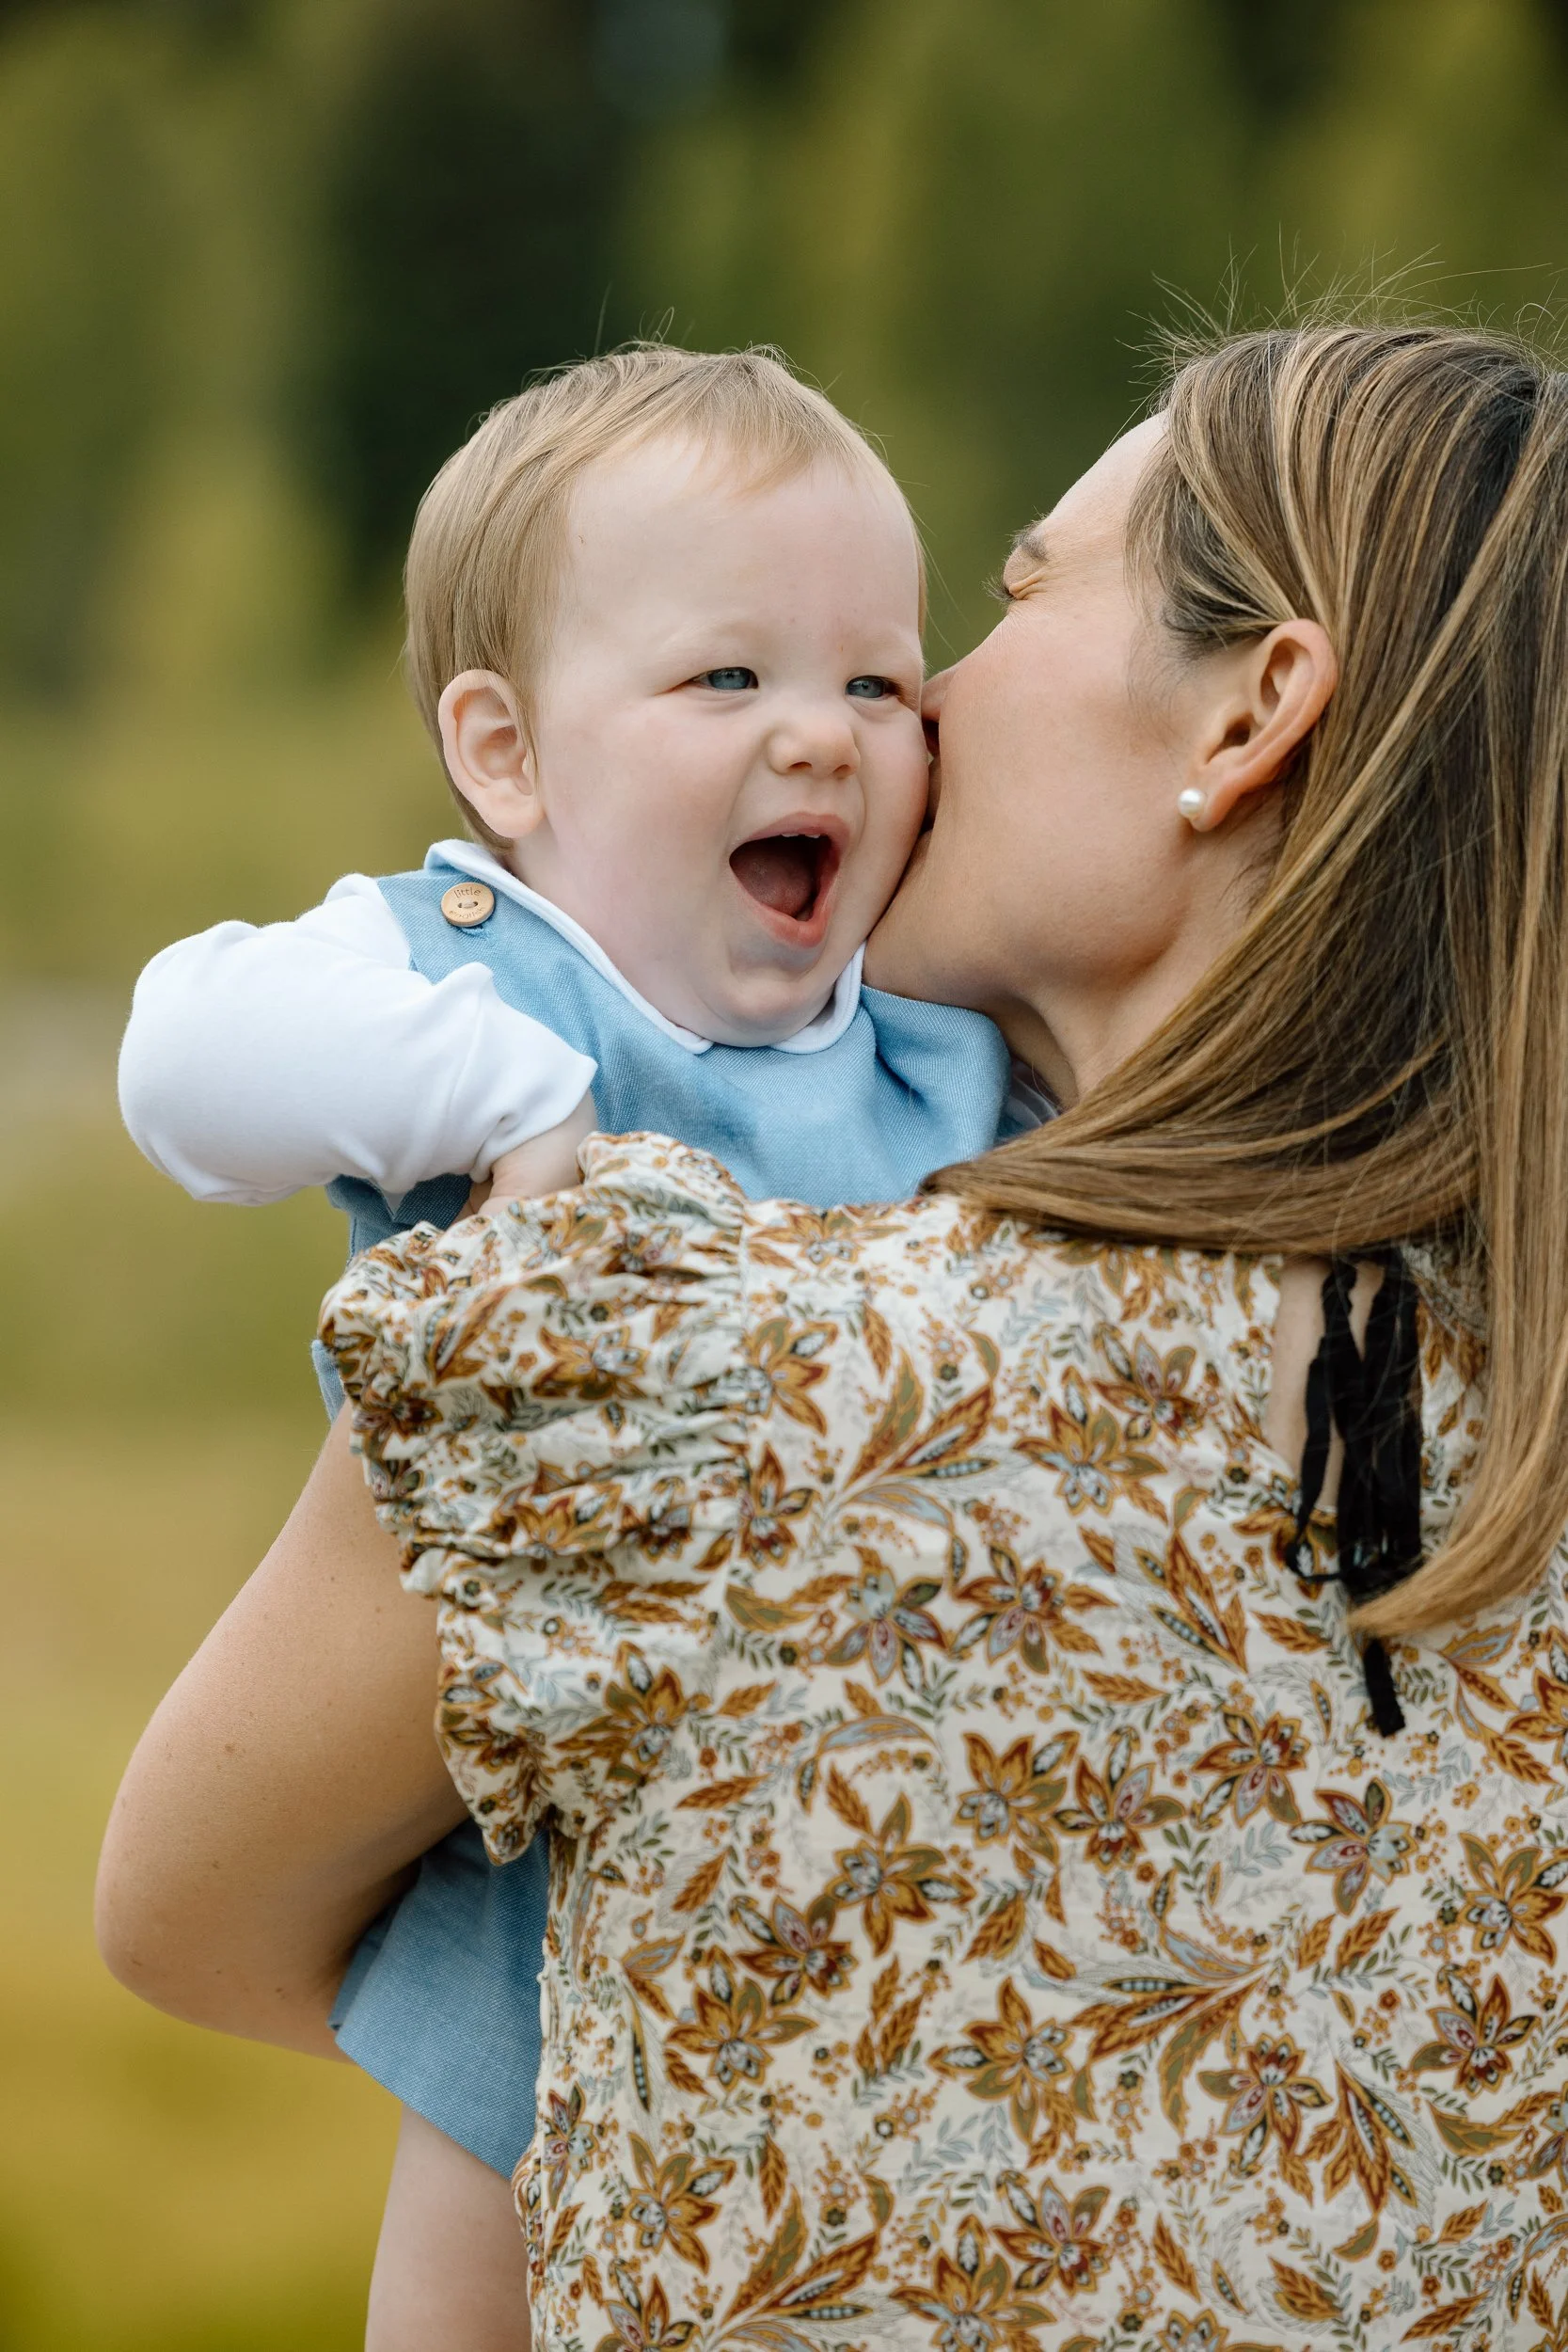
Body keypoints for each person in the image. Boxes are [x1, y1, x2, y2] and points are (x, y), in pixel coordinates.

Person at [100, 314, 1568, 2345]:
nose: (906, 711)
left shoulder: (712, 1372)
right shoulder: (1515, 1418)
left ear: (1246, 719)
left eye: (1007, 595)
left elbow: (187, 1913)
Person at [110, 342, 1021, 2352]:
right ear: (506, 757)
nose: (824, 737)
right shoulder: (481, 967)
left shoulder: (939, 1045)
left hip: (872, 1894)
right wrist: (514, 1104)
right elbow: (180, 1056)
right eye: (727, 679)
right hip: (542, 1919)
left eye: (878, 680)